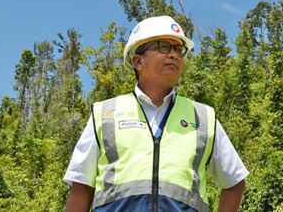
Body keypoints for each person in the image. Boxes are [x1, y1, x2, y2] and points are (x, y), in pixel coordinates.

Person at [63, 15, 248, 212]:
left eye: (178, 49)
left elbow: (234, 183)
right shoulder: (105, 114)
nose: (174, 55)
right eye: (163, 47)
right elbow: (81, 188)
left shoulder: (203, 117)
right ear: (138, 61)